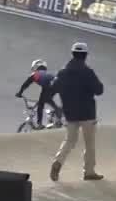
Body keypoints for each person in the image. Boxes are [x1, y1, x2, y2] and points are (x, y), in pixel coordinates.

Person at [51, 41, 104, 182]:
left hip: (70, 112)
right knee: (89, 143)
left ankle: (58, 162)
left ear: (72, 54)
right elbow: (99, 90)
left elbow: (53, 87)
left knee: (69, 140)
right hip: (87, 113)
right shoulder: (88, 72)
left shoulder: (62, 72)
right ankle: (89, 171)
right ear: (85, 55)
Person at [15, 59, 60, 128]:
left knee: (40, 105)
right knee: (48, 99)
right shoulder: (48, 73)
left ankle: (40, 124)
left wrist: (19, 93)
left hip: (48, 86)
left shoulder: (35, 74)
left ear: (35, 67)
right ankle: (58, 114)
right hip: (58, 84)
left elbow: (25, 84)